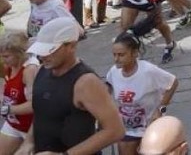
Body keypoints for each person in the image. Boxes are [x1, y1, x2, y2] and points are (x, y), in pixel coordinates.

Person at [17, 17, 125, 154]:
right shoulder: (42, 70)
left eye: (50, 50)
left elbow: (115, 130)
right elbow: (42, 114)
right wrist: (28, 142)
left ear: (71, 46)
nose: (43, 56)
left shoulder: (86, 82)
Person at [106, 31, 178, 155]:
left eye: (121, 55)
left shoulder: (148, 71)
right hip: (126, 128)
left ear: (134, 54)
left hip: (150, 125)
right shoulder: (114, 71)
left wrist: (160, 109)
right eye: (114, 55)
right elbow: (108, 85)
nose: (116, 59)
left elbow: (173, 83)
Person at [0, 33, 39, 154]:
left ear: (19, 54)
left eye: (7, 56)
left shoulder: (29, 71)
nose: (3, 59)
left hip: (31, 127)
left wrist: (7, 109)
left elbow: (34, 105)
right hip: (14, 123)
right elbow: (6, 83)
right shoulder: (9, 65)